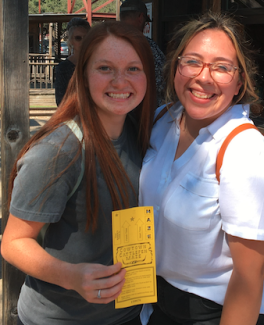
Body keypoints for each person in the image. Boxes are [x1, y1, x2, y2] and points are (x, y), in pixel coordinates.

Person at [139, 12, 264, 325]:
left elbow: (248, 280)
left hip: (227, 310)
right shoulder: (162, 121)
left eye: (222, 67)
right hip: (164, 301)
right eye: (192, 61)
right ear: (176, 68)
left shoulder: (244, 152)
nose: (204, 77)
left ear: (239, 82)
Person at [1, 20, 156, 325]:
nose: (120, 81)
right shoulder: (59, 151)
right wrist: (71, 276)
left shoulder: (140, 134)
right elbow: (13, 242)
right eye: (105, 68)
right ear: (83, 75)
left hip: (129, 314)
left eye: (133, 69)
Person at [120, 0, 166, 107]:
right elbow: (162, 82)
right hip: (144, 112)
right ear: (141, 17)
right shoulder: (149, 47)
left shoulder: (106, 44)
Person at [55, 17, 90, 106]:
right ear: (71, 41)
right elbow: (61, 102)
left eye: (86, 37)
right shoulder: (63, 68)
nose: (83, 41)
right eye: (78, 38)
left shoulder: (99, 64)